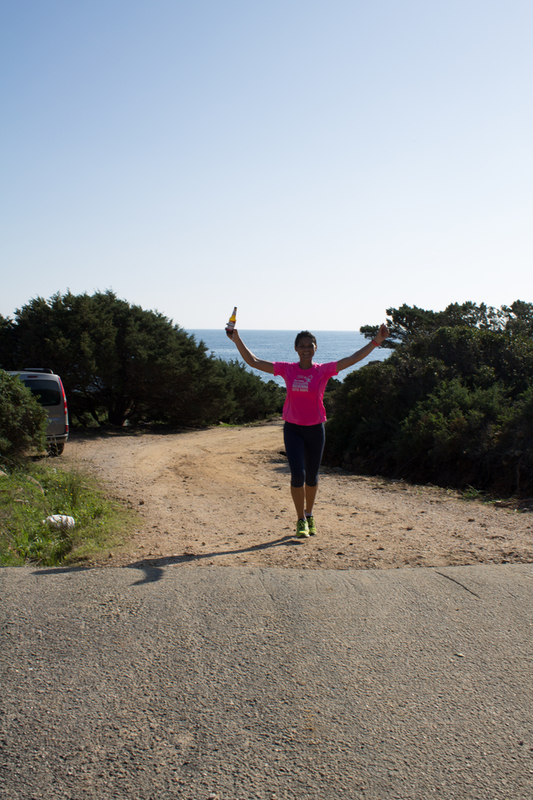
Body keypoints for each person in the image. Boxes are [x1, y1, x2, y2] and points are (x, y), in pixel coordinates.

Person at [227, 322, 390, 537]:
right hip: (293, 429)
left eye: (309, 345)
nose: (306, 349)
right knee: (297, 476)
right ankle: (300, 519)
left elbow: (352, 360)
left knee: (312, 478)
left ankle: (310, 513)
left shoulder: (322, 371)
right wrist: (236, 339)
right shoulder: (287, 369)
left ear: (315, 349)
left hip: (315, 430)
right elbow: (254, 361)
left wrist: (376, 341)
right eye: (302, 345)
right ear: (296, 349)